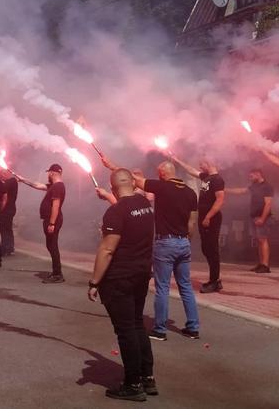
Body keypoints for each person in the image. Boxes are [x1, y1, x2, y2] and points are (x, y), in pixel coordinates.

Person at [103, 156, 199, 341]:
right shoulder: (190, 192)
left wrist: (112, 166)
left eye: (158, 173)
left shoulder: (161, 187)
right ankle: (193, 328)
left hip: (166, 243)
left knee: (162, 287)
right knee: (185, 286)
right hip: (184, 243)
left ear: (162, 174)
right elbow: (192, 223)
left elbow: (132, 179)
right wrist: (185, 240)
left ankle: (160, 330)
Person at [88, 169, 156, 402]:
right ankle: (147, 378)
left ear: (113, 186)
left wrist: (94, 282)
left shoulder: (115, 212)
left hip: (120, 278)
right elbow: (128, 213)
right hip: (141, 274)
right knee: (137, 324)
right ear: (132, 183)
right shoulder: (145, 204)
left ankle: (132, 384)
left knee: (126, 330)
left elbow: (107, 249)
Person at [171, 155, 225, 292]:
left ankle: (214, 281)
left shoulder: (218, 180)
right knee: (206, 249)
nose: (200, 167)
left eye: (202, 164)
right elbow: (192, 171)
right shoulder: (206, 177)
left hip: (211, 219)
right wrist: (177, 160)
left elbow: (219, 200)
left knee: (212, 250)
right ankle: (216, 279)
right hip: (204, 218)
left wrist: (208, 216)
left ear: (209, 163)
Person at [17, 164, 66, 283]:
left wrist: (52, 223)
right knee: (50, 245)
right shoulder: (54, 186)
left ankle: (57, 274)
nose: (47, 175)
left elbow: (56, 205)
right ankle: (56, 272)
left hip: (52, 220)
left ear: (52, 173)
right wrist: (23, 180)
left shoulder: (58, 187)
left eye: (48, 172)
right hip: (50, 220)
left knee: (53, 246)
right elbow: (37, 185)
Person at [226, 166, 274, 273]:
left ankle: (265, 265)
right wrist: (225, 190)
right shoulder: (254, 186)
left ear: (258, 174)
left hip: (263, 217)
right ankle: (261, 264)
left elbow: (268, 204)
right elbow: (241, 191)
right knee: (259, 240)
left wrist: (262, 218)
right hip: (254, 216)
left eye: (251, 176)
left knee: (263, 239)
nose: (250, 178)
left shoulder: (267, 187)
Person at [0, 169, 18, 256]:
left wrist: (0, 209)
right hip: (10, 209)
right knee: (7, 229)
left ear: (5, 174)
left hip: (7, 209)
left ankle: (5, 248)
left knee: (4, 229)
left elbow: (4, 195)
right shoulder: (11, 182)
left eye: (1, 175)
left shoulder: (11, 181)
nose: (0, 177)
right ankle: (9, 248)